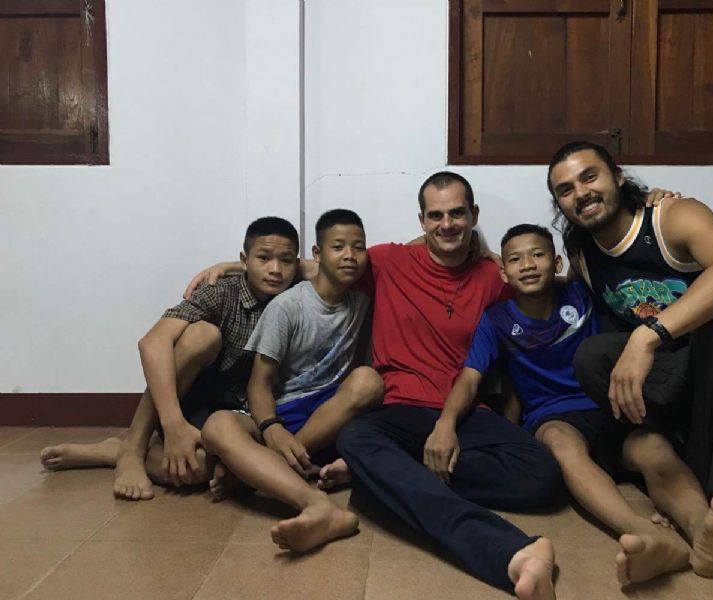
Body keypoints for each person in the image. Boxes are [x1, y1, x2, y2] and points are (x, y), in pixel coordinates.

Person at [428, 223, 713, 586]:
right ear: (503, 272)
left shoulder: (581, 294)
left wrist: (651, 200)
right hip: (553, 416)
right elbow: (470, 378)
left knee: (654, 448)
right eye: (515, 259)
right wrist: (445, 424)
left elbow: (599, 252)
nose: (528, 265)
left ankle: (705, 532)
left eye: (538, 255)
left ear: (557, 263)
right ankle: (643, 532)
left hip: (608, 405)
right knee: (560, 443)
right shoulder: (496, 319)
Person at [327, 173, 563, 600]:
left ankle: (385, 477)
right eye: (435, 216)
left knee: (542, 475)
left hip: (466, 411)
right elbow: (320, 267)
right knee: (355, 437)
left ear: (474, 214)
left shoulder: (493, 276)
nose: (447, 224)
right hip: (400, 411)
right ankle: (512, 553)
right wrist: (229, 266)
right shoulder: (388, 261)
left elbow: (546, 281)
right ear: (422, 221)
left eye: (457, 213)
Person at [546, 141, 713, 500]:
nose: (581, 193)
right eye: (566, 189)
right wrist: (491, 263)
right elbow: (558, 289)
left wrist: (647, 336)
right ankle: (672, 458)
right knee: (593, 354)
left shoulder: (671, 217)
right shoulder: (583, 253)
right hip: (683, 376)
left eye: (590, 177)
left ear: (618, 176)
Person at [40, 217, 300, 501]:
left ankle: (114, 451)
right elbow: (152, 342)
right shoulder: (221, 291)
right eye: (263, 258)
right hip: (195, 396)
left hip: (240, 411)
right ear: (245, 258)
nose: (275, 269)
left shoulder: (296, 294)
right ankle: (133, 449)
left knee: (200, 469)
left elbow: (323, 266)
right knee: (202, 335)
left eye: (286, 261)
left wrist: (231, 264)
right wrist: (173, 425)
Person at [200, 209, 383, 551]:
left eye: (358, 247)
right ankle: (316, 504)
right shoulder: (287, 306)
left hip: (329, 415)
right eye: (338, 247)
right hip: (282, 410)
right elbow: (259, 384)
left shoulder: (363, 297)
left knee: (368, 381)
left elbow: (423, 245)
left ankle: (260, 472)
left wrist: (480, 250)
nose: (349, 255)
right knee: (216, 427)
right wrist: (272, 428)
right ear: (317, 254)